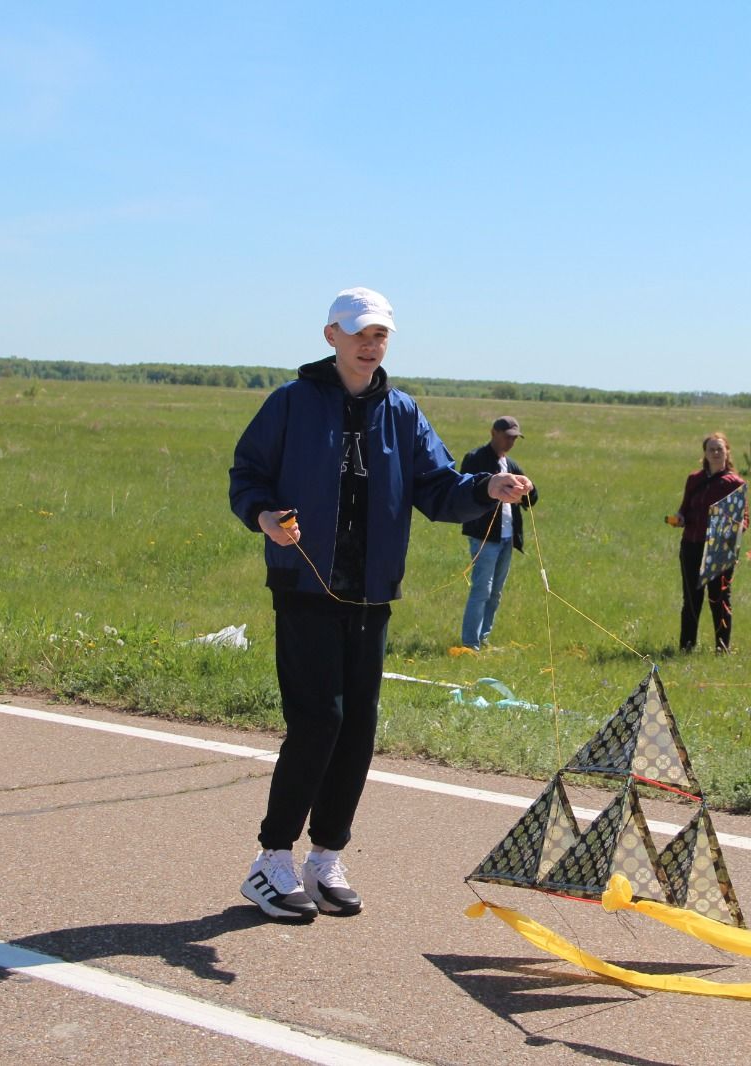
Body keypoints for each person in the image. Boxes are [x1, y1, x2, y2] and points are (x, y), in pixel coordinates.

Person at [228, 287, 531, 922]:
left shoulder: (401, 412)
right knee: (318, 721)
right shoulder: (290, 404)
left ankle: (325, 857)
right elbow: (248, 474)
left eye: (382, 335)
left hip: (370, 593)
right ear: (330, 336)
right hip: (305, 585)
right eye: (361, 333)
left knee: (358, 728)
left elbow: (439, 487)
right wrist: (263, 515)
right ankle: (271, 859)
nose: (372, 345)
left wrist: (487, 488)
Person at [457, 415, 539, 650]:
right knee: (482, 589)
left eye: (515, 439)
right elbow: (466, 492)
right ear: (494, 433)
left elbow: (531, 501)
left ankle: (484, 638)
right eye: (507, 437)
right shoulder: (475, 459)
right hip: (484, 538)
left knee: (496, 593)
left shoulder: (511, 465)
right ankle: (470, 643)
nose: (511, 443)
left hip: (506, 538)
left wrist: (529, 488)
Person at [670, 432, 748, 652]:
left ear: (727, 452)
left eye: (719, 449)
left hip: (720, 550)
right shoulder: (694, 479)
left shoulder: (736, 483)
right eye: (711, 449)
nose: (715, 453)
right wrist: (679, 519)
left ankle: (722, 648)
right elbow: (684, 508)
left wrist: (732, 531)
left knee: (719, 599)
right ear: (704, 453)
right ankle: (686, 647)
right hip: (691, 545)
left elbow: (745, 519)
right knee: (691, 601)